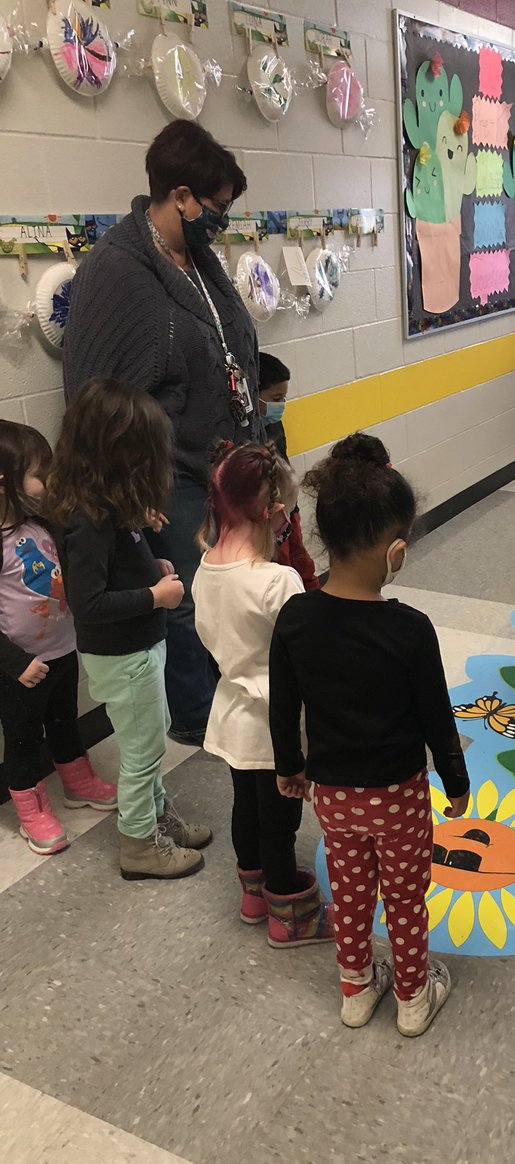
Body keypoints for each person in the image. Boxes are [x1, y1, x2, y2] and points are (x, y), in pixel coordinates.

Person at [62, 120, 262, 746]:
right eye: (218, 206)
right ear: (180, 196)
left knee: (225, 584)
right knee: (179, 592)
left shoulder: (196, 259)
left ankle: (224, 694)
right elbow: (96, 394)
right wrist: (129, 490)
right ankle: (195, 716)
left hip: (220, 459)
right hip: (163, 471)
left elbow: (230, 347)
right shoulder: (118, 270)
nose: (222, 220)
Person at [269, 434, 470, 1037]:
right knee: (406, 898)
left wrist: (290, 765)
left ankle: (356, 991)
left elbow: (285, 704)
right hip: (399, 797)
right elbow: (437, 716)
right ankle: (413, 998)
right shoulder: (410, 629)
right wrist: (455, 781)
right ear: (396, 551)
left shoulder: (297, 616)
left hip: (331, 794)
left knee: (352, 895)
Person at [44, 378, 212, 880]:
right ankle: (139, 843)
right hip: (125, 654)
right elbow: (89, 602)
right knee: (142, 753)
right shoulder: (89, 521)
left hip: (138, 647)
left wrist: (151, 563)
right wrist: (155, 596)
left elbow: (121, 563)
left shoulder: (109, 507)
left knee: (150, 741)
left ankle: (155, 818)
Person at [192, 441, 332, 948]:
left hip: (230, 712)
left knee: (246, 808)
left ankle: (253, 897)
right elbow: (306, 662)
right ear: (273, 513)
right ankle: (288, 916)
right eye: (289, 516)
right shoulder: (279, 581)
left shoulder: (205, 568)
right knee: (280, 822)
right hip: (276, 724)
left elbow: (213, 641)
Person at [0, 420, 116, 855]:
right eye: (38, 472)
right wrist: (15, 664)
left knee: (66, 720)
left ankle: (78, 780)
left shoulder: (41, 525)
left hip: (62, 650)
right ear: (4, 484)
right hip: (20, 668)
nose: (48, 481)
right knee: (25, 739)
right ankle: (31, 811)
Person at [259, 353, 319, 591]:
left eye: (283, 397)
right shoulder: (244, 435)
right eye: (275, 398)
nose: (281, 404)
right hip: (269, 516)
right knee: (282, 566)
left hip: (288, 509)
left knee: (300, 560)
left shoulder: (273, 423)